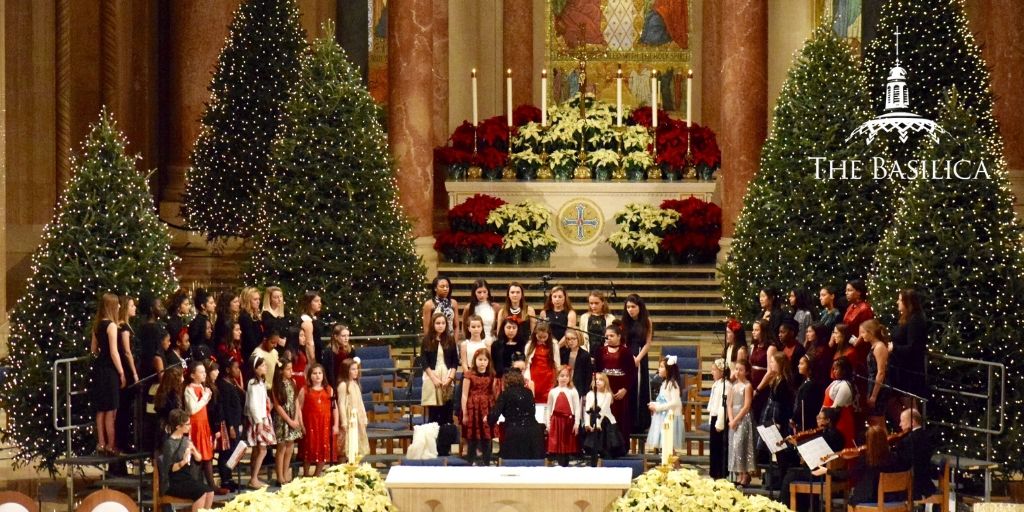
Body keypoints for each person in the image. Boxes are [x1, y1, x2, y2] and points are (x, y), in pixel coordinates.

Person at [778, 408, 847, 510]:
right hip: (831, 472)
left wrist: (797, 444)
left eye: (820, 418)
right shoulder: (838, 434)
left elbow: (815, 456)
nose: (817, 420)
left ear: (828, 420)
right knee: (796, 473)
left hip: (822, 473)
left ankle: (784, 509)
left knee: (790, 475)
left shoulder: (827, 436)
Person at [158, 409, 215, 511]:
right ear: (178, 427)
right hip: (173, 482)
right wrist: (183, 462)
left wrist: (194, 451)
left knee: (210, 492)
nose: (190, 426)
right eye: (187, 424)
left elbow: (199, 459)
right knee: (201, 493)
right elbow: (169, 469)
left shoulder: (186, 440)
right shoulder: (169, 444)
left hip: (186, 478)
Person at [90, 292, 123, 455]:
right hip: (109, 370)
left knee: (100, 409)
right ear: (111, 306)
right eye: (116, 304)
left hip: (98, 368)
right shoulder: (111, 326)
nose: (119, 307)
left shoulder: (96, 325)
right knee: (111, 409)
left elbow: (93, 349)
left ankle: (101, 443)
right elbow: (114, 352)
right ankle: (111, 445)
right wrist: (121, 372)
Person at [488, 368, 545, 459]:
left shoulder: (505, 394)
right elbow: (532, 411)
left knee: (514, 466)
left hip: (515, 434)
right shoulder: (529, 392)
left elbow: (494, 414)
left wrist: (487, 419)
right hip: (533, 433)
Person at [184, 361, 222, 495]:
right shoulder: (189, 389)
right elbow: (193, 409)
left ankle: (211, 485)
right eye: (201, 372)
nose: (204, 374)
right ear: (193, 375)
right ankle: (194, 487)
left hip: (204, 425)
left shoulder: (201, 386)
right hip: (195, 426)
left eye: (205, 372)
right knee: (197, 456)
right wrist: (205, 397)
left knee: (207, 455)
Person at [595, 322, 637, 439]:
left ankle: (620, 445)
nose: (609, 338)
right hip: (604, 388)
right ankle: (604, 444)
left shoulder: (626, 352)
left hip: (620, 390)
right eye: (607, 336)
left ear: (619, 336)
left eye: (612, 335)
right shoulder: (600, 351)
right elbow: (597, 371)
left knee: (619, 416)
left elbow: (632, 373)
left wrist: (625, 389)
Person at [622, 294, 653, 433]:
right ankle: (628, 421)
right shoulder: (624, 322)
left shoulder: (647, 321)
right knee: (629, 386)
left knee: (639, 386)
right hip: (627, 355)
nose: (630, 309)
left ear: (639, 307)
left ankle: (640, 422)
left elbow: (648, 343)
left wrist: (638, 358)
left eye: (633, 307)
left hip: (640, 356)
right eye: (628, 307)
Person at [299, 364, 338, 476]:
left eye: (320, 373)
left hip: (325, 424)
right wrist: (301, 425)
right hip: (310, 424)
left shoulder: (329, 389)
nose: (317, 376)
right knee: (308, 449)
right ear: (310, 376)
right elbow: (299, 408)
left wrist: (335, 425)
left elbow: (334, 408)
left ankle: (317, 474)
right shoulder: (305, 389)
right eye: (315, 373)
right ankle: (306, 474)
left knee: (324, 449)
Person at [461, 348, 498, 466]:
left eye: (485, 360)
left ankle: (486, 462)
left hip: (487, 407)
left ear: (488, 362)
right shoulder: (469, 375)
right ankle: (470, 462)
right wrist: (465, 413)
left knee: (487, 437)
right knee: (472, 437)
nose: (482, 362)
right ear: (475, 360)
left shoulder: (492, 375)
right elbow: (464, 395)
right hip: (473, 408)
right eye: (480, 359)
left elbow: (494, 394)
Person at [890, 289, 928, 403]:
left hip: (909, 372)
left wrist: (894, 348)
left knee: (909, 405)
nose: (897, 302)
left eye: (900, 300)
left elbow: (914, 348)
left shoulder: (915, 320)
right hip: (900, 369)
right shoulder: (907, 317)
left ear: (909, 303)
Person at [421, 313, 458, 425]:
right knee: (434, 413)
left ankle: (446, 439)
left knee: (447, 411)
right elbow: (424, 361)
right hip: (432, 376)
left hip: (447, 375)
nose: (440, 325)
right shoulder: (427, 340)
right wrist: (433, 378)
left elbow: (454, 361)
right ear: (433, 324)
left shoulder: (450, 339)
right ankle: (434, 440)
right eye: (438, 323)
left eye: (443, 323)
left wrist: (450, 378)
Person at [848, 425, 901, 505]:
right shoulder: (894, 457)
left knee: (853, 497)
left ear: (869, 441)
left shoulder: (866, 459)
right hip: (893, 499)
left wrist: (828, 471)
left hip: (871, 499)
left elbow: (850, 474)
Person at [893, 408, 938, 499]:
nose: (900, 424)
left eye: (902, 421)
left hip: (913, 487)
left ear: (912, 422)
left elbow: (902, 463)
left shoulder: (908, 440)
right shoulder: (927, 436)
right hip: (926, 483)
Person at [114, 295, 139, 455]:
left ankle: (123, 441)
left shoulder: (123, 326)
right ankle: (123, 442)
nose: (134, 308)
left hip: (125, 369)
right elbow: (127, 351)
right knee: (124, 409)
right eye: (131, 306)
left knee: (124, 408)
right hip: (127, 370)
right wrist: (134, 373)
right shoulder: (123, 328)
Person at [245, 355, 275, 489]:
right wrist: (259, 421)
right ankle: (253, 478)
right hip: (259, 420)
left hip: (263, 417)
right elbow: (252, 404)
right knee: (261, 449)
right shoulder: (253, 383)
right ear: (255, 368)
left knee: (258, 450)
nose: (265, 367)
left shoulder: (261, 382)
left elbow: (262, 401)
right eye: (262, 365)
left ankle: (254, 476)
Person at [215, 359, 244, 492]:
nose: (238, 370)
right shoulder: (223, 385)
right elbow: (226, 408)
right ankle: (225, 479)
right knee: (226, 452)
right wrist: (231, 426)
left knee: (233, 452)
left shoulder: (232, 383)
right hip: (229, 425)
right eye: (235, 368)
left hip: (237, 422)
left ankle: (230, 477)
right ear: (227, 370)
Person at [581, 372, 624, 461]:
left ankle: (606, 460)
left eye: (601, 380)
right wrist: (587, 423)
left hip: (605, 421)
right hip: (593, 421)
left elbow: (602, 411)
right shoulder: (590, 394)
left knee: (605, 445)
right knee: (592, 444)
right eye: (596, 379)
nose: (598, 381)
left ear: (605, 382)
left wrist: (597, 424)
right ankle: (593, 460)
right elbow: (587, 410)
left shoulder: (607, 395)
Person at [646, 356, 684, 456]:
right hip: (663, 416)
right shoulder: (664, 383)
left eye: (662, 367)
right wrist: (655, 404)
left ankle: (676, 468)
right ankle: (670, 467)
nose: (659, 369)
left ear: (668, 370)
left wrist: (658, 408)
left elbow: (675, 402)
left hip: (670, 417)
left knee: (669, 446)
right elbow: (663, 400)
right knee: (666, 446)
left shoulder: (672, 384)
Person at [272, 358, 302, 484]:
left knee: (290, 447)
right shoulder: (276, 385)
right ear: (281, 371)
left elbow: (296, 401)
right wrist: (289, 421)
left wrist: (296, 419)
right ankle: (280, 476)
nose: (291, 371)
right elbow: (277, 406)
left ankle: (285, 473)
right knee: (282, 448)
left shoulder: (292, 382)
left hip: (292, 417)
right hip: (282, 419)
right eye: (288, 369)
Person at [201, 360, 229, 494]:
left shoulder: (214, 385)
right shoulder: (208, 388)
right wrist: (216, 428)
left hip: (214, 423)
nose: (217, 372)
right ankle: (209, 484)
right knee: (207, 455)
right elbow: (212, 410)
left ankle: (211, 484)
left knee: (210, 455)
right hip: (210, 425)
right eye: (214, 370)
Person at [546, 366, 580, 466]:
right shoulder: (553, 391)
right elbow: (549, 408)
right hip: (556, 420)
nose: (564, 378)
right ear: (557, 377)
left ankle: (566, 463)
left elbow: (577, 407)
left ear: (570, 378)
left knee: (566, 444)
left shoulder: (573, 391)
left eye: (566, 376)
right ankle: (559, 463)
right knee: (557, 443)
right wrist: (548, 423)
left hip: (568, 421)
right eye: (562, 376)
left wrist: (577, 423)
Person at [728, 359, 755, 486]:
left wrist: (736, 419)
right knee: (734, 446)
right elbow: (729, 404)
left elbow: (746, 406)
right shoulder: (733, 386)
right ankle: (738, 474)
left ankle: (745, 474)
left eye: (741, 370)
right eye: (736, 369)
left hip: (743, 418)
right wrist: (731, 419)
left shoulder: (747, 386)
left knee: (741, 445)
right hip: (733, 419)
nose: (738, 372)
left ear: (747, 372)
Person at [337, 358, 370, 460]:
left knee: (356, 444)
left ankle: (355, 467)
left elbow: (360, 402)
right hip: (349, 418)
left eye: (357, 369)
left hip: (357, 417)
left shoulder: (355, 384)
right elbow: (341, 404)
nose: (356, 371)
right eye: (353, 369)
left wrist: (364, 416)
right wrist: (344, 421)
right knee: (346, 446)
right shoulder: (343, 385)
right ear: (346, 370)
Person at [861, 319, 892, 425]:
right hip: (872, 384)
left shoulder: (879, 347)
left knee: (877, 420)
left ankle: (882, 441)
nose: (862, 336)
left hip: (879, 388)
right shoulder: (873, 346)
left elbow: (881, 372)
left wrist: (874, 395)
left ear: (871, 332)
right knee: (872, 419)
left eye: (863, 332)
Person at [823, 357, 858, 448]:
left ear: (844, 370)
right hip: (829, 421)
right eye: (833, 369)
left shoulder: (845, 386)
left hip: (840, 422)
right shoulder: (835, 383)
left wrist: (824, 419)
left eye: (837, 369)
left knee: (842, 449)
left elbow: (835, 408)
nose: (834, 371)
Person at [707, 359, 731, 479]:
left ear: (722, 371)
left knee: (719, 448)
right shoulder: (717, 384)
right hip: (714, 417)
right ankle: (714, 472)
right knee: (714, 447)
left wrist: (720, 423)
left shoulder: (726, 385)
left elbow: (724, 405)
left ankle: (720, 473)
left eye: (714, 370)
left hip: (720, 419)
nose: (712, 372)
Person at [496, 282, 537, 351]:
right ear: (508, 294)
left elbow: (534, 332)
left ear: (522, 295)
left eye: (518, 292)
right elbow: (499, 333)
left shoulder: (529, 310)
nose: (515, 295)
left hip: (524, 346)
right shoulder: (502, 312)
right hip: (507, 347)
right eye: (512, 292)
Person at [525, 323, 559, 404]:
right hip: (535, 375)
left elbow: (557, 362)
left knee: (548, 397)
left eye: (545, 337)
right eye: (539, 337)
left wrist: (557, 377)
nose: (542, 339)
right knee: (534, 396)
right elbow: (527, 363)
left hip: (549, 375)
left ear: (549, 335)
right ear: (535, 334)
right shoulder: (530, 345)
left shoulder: (554, 344)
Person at [153, 367, 184, 451]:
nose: (183, 379)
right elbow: (172, 411)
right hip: (168, 427)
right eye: (181, 376)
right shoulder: (171, 395)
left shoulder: (162, 392)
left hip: (163, 425)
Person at [578, 290, 616, 355]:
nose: (593, 306)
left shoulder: (610, 318)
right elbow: (582, 338)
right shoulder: (584, 317)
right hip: (588, 353)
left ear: (603, 302)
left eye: (596, 303)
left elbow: (613, 339)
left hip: (606, 353)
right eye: (591, 303)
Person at [559, 330, 592, 402]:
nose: (570, 341)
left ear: (579, 338)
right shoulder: (564, 352)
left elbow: (588, 376)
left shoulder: (585, 355)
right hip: (565, 382)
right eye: (568, 339)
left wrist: (585, 393)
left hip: (579, 385)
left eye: (573, 339)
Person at [843, 279, 875, 347]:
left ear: (858, 292)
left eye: (849, 290)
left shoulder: (865, 309)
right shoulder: (851, 306)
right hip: (848, 342)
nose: (846, 293)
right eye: (846, 290)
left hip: (860, 346)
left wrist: (857, 343)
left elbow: (867, 330)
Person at [778, 318, 807, 386]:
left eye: (782, 332)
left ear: (791, 333)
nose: (779, 335)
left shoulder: (799, 349)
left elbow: (799, 373)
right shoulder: (782, 347)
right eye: (779, 332)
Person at [188, 288, 216, 359]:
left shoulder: (205, 318)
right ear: (203, 306)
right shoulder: (198, 321)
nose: (214, 305)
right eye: (211, 303)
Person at [298, 291, 323, 366]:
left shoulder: (314, 318)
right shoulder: (306, 320)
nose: (319, 303)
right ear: (308, 303)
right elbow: (309, 343)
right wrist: (312, 362)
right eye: (316, 301)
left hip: (317, 352)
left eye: (320, 301)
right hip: (311, 357)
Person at [239, 287, 264, 361]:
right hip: (250, 355)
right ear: (247, 301)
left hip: (258, 352)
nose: (258, 301)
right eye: (255, 299)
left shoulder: (255, 316)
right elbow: (250, 340)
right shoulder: (245, 317)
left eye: (259, 299)